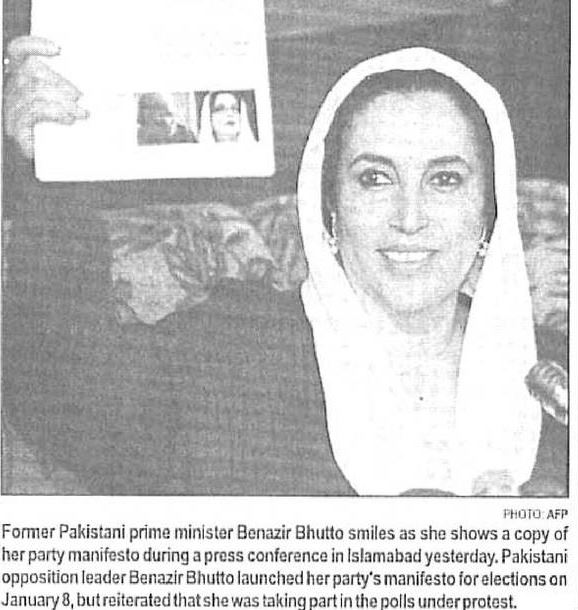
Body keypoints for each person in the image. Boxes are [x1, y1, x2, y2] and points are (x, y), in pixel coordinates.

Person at [2, 38, 567, 496]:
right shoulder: (232, 351)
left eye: (445, 179)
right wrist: (45, 164)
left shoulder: (557, 375)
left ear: (489, 213)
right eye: (375, 178)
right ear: (330, 210)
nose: (410, 217)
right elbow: (60, 388)